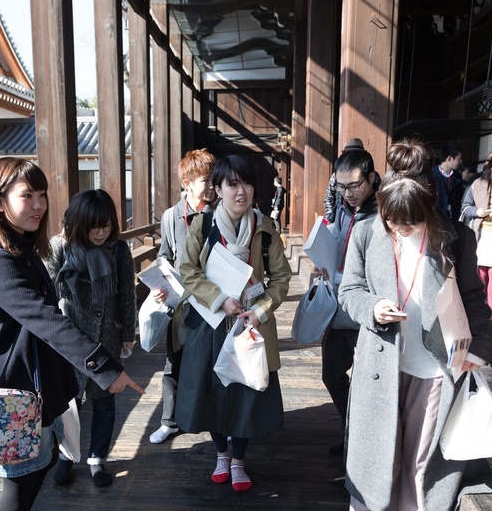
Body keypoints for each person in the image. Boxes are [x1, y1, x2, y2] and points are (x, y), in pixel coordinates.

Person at [0, 158, 144, 511]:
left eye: (42, 194)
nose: (40, 204)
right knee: (19, 475)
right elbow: (46, 319)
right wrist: (104, 367)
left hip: (32, 381)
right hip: (10, 387)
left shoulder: (18, 246)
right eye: (28, 195)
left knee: (37, 464)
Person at [339, 140, 492, 511]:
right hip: (381, 364)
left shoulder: (454, 237)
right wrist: (372, 308)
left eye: (410, 224)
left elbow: (474, 299)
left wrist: (481, 350)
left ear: (427, 208)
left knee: (422, 462)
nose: (400, 232)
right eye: (393, 223)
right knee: (378, 453)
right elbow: (348, 289)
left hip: (436, 368)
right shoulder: (368, 231)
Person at [175, 154, 291, 491]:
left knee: (246, 392)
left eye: (247, 183)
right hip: (211, 320)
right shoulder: (203, 225)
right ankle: (221, 453)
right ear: (219, 188)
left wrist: (260, 310)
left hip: (250, 323)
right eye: (232, 184)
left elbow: (281, 279)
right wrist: (219, 298)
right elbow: (188, 270)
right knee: (212, 391)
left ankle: (238, 461)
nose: (242, 191)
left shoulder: (266, 229)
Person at [46, 190, 137, 487]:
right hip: (69, 341)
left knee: (104, 404)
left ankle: (98, 459)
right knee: (67, 404)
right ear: (79, 223)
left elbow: (127, 294)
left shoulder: (119, 250)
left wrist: (127, 334)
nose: (101, 232)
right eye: (94, 226)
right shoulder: (60, 248)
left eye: (107, 225)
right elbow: (46, 292)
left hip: (105, 337)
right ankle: (65, 457)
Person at [149, 149, 217, 445]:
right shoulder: (170, 216)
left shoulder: (219, 212)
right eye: (206, 180)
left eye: (215, 179)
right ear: (187, 182)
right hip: (181, 302)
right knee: (172, 362)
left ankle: (212, 421)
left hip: (214, 300)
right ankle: (169, 421)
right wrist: (158, 284)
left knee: (212, 362)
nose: (213, 186)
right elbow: (165, 255)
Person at [317, 148, 379, 454]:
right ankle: (351, 430)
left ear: (371, 178)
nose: (347, 193)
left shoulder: (383, 213)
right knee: (332, 374)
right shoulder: (343, 207)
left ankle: (361, 444)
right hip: (338, 304)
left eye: (354, 186)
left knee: (367, 383)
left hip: (367, 308)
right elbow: (338, 245)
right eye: (341, 186)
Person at [461, 149, 492, 318]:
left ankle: (489, 311)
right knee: (481, 271)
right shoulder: (478, 183)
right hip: (482, 232)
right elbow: (465, 207)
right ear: (491, 167)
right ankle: (480, 308)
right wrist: (478, 211)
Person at [324, 138, 367, 222]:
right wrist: (332, 218)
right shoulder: (337, 175)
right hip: (341, 217)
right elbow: (329, 197)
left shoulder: (369, 174)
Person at [431, 142, 463, 221]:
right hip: (435, 217)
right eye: (459, 158)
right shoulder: (430, 175)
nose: (461, 161)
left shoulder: (457, 176)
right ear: (449, 159)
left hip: (453, 218)